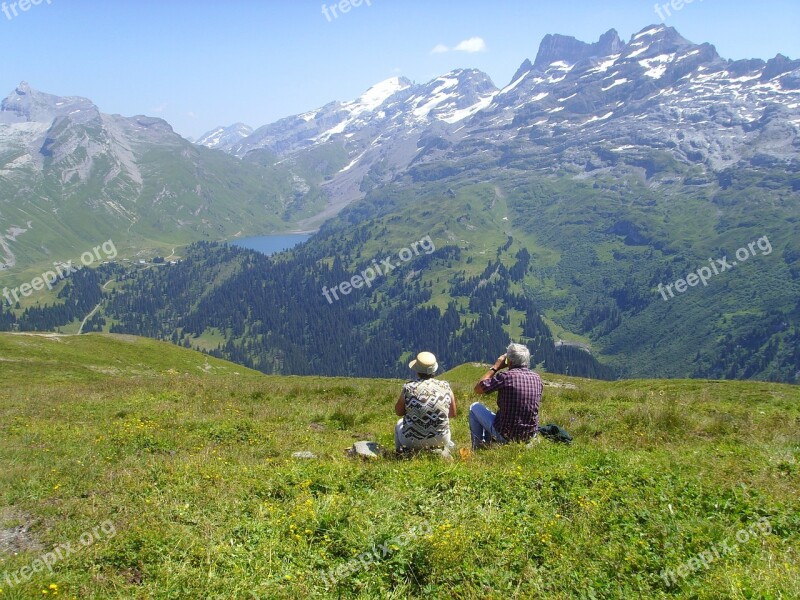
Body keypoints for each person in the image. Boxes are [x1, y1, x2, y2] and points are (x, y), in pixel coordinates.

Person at [469, 343, 542, 449]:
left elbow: (478, 389)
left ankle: (479, 447)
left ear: (509, 361)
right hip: (529, 437)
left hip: (506, 435)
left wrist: (495, 367)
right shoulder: (537, 378)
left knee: (474, 407)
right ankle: (489, 444)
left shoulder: (505, 377)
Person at [395, 351, 457, 454]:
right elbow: (452, 414)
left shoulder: (409, 388)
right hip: (441, 439)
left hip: (411, 441)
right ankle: (442, 451)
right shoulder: (445, 386)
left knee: (399, 423)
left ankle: (400, 453)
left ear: (417, 370)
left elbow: (398, 412)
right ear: (434, 370)